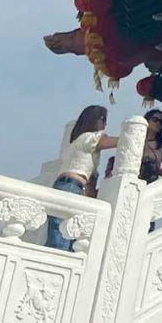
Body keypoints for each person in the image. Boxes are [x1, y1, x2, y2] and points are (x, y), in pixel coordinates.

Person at [47, 106, 116, 249]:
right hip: (72, 185)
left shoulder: (76, 141)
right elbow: (116, 142)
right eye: (104, 120)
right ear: (97, 120)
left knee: (59, 231)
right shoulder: (90, 138)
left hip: (66, 185)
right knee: (63, 235)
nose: (105, 125)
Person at [139, 109, 162, 184]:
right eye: (155, 120)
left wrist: (154, 168)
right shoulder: (136, 138)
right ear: (147, 120)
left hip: (150, 183)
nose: (158, 123)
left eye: (161, 122)